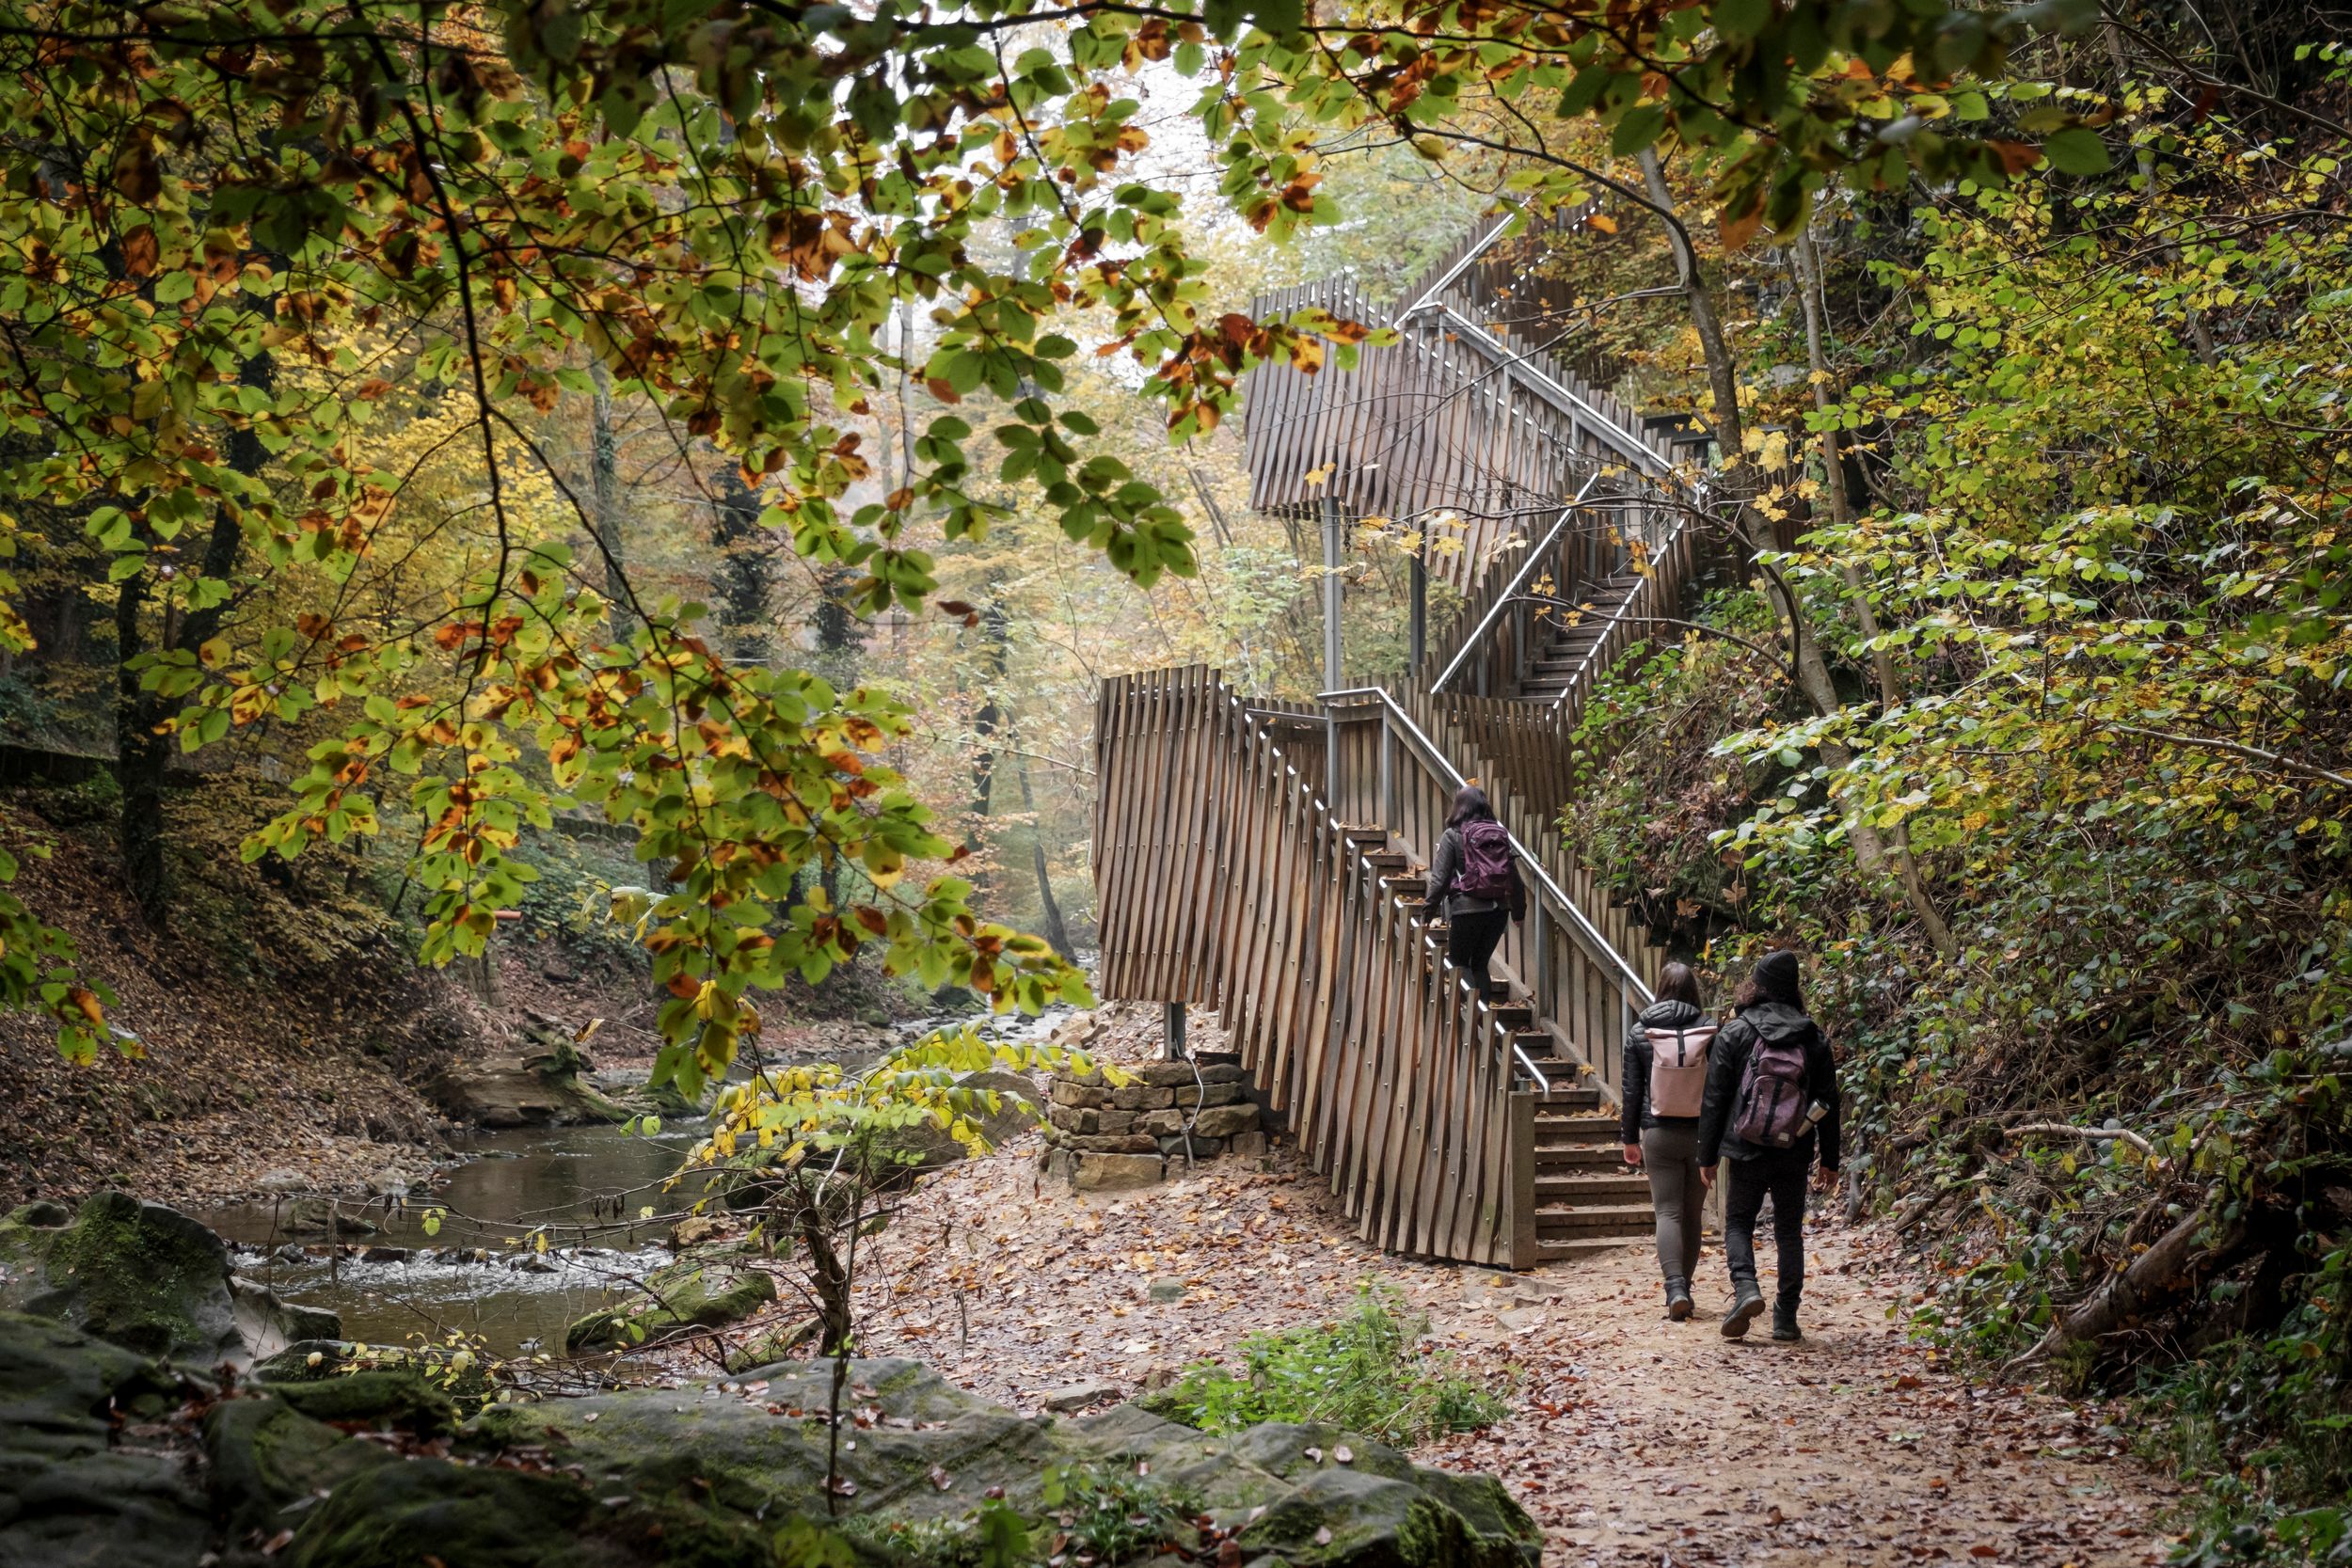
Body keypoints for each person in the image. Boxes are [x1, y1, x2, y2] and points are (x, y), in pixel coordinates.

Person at [1696, 949, 1840, 1342]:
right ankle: (1786, 1317)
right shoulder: (1812, 1037)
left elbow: (1715, 1098)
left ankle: (1746, 1289)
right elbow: (1828, 1101)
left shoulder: (1737, 1031)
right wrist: (1830, 1160)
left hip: (1745, 1147)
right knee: (1789, 1230)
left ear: (1756, 986)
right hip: (1793, 1148)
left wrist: (1706, 1156)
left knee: (1739, 1222)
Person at [1620, 962, 1718, 1322]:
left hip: (1658, 1133)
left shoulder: (1641, 1032)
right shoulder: (1710, 1030)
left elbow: (1631, 1091)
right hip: (1699, 1135)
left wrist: (1629, 1138)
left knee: (1667, 1211)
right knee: (1692, 1214)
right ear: (1694, 990)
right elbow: (1720, 1089)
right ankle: (1685, 1290)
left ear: (1660, 988)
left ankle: (1674, 1286)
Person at [1422, 784, 1525, 994]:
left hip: (1467, 910)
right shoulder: (1498, 835)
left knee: (1459, 963)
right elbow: (1513, 876)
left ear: (1458, 807)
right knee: (1480, 964)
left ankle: (1472, 1019)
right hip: (1498, 911)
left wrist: (1427, 913)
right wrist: (1518, 911)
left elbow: (1439, 880)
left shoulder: (1452, 835)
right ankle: (1483, 1018)